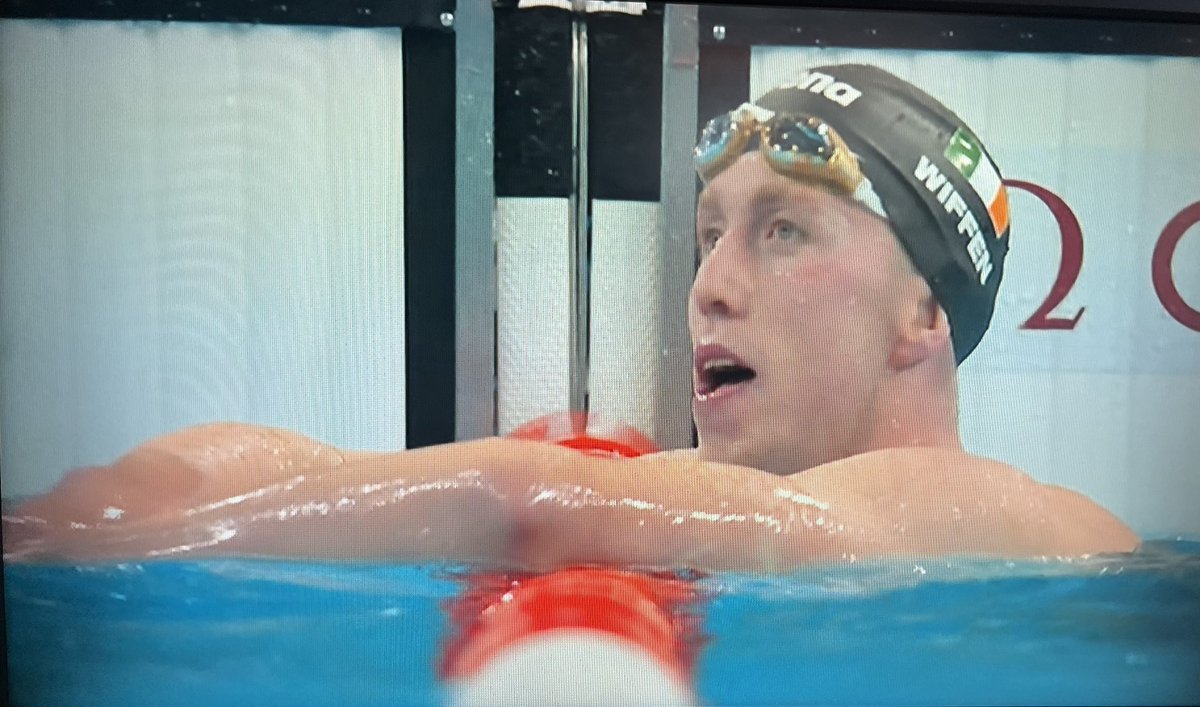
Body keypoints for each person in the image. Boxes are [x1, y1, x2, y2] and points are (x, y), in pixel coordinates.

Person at [3, 64, 1137, 571]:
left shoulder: (1011, 518)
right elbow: (290, 463)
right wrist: (150, 485)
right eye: (708, 236)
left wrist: (116, 545)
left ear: (922, 311)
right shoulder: (698, 504)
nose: (710, 286)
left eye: (783, 229)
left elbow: (519, 503)